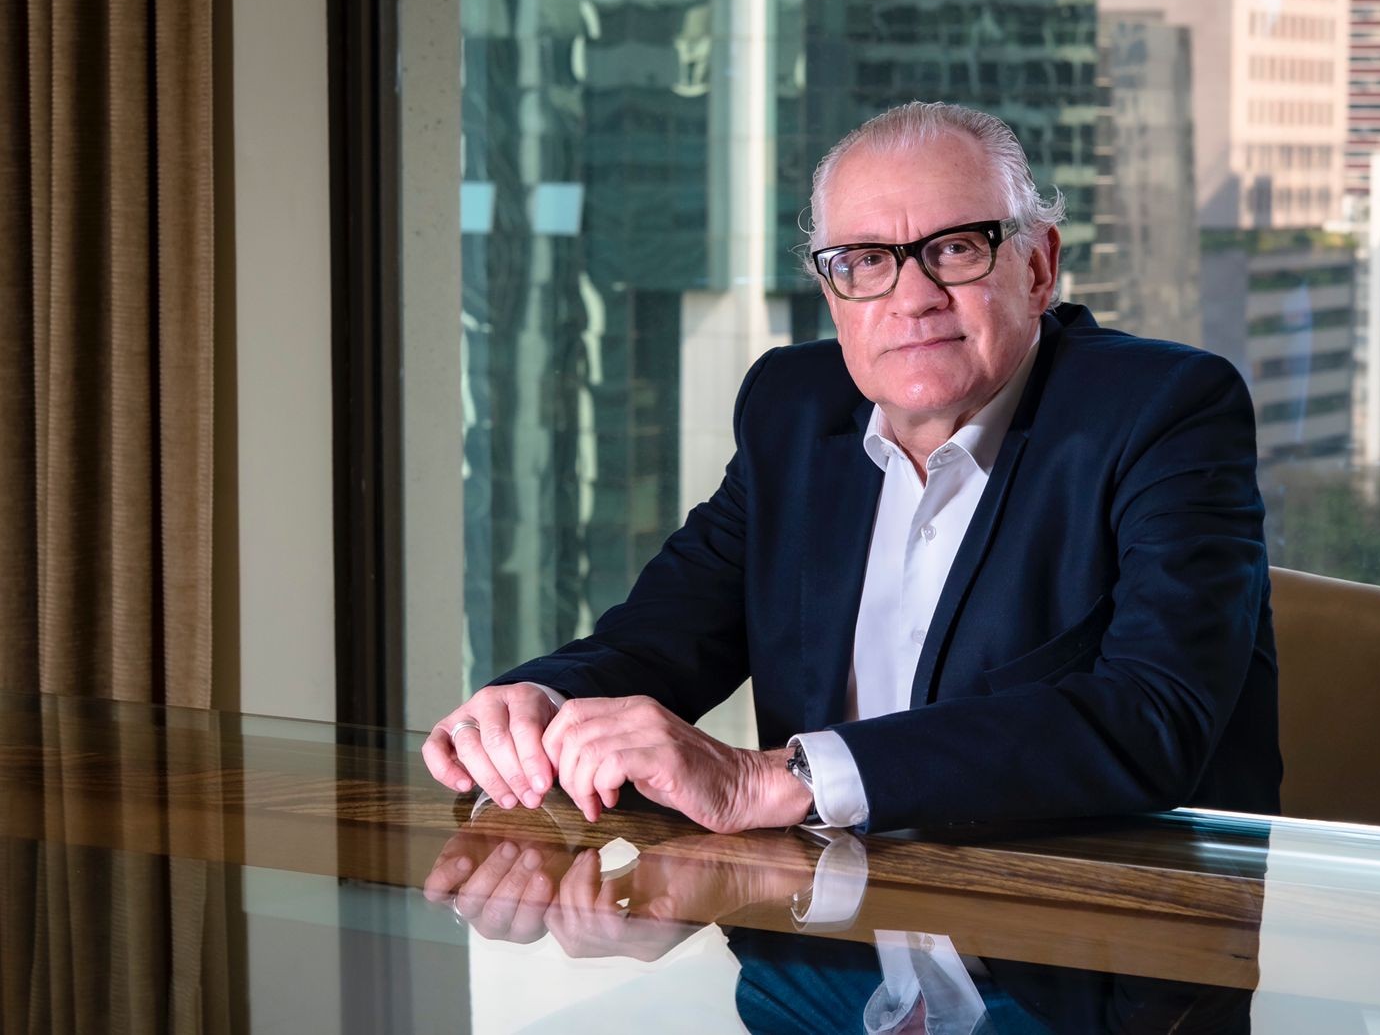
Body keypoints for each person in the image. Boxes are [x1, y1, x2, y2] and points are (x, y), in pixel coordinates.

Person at [423, 101, 1280, 834]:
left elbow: (1154, 717)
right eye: (866, 261)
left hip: (1098, 929)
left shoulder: (1164, 410)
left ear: (1038, 266)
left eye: (957, 248)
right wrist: (540, 701)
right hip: (826, 928)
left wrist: (776, 779)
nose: (913, 298)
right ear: (833, 294)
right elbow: (664, 636)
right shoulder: (792, 410)